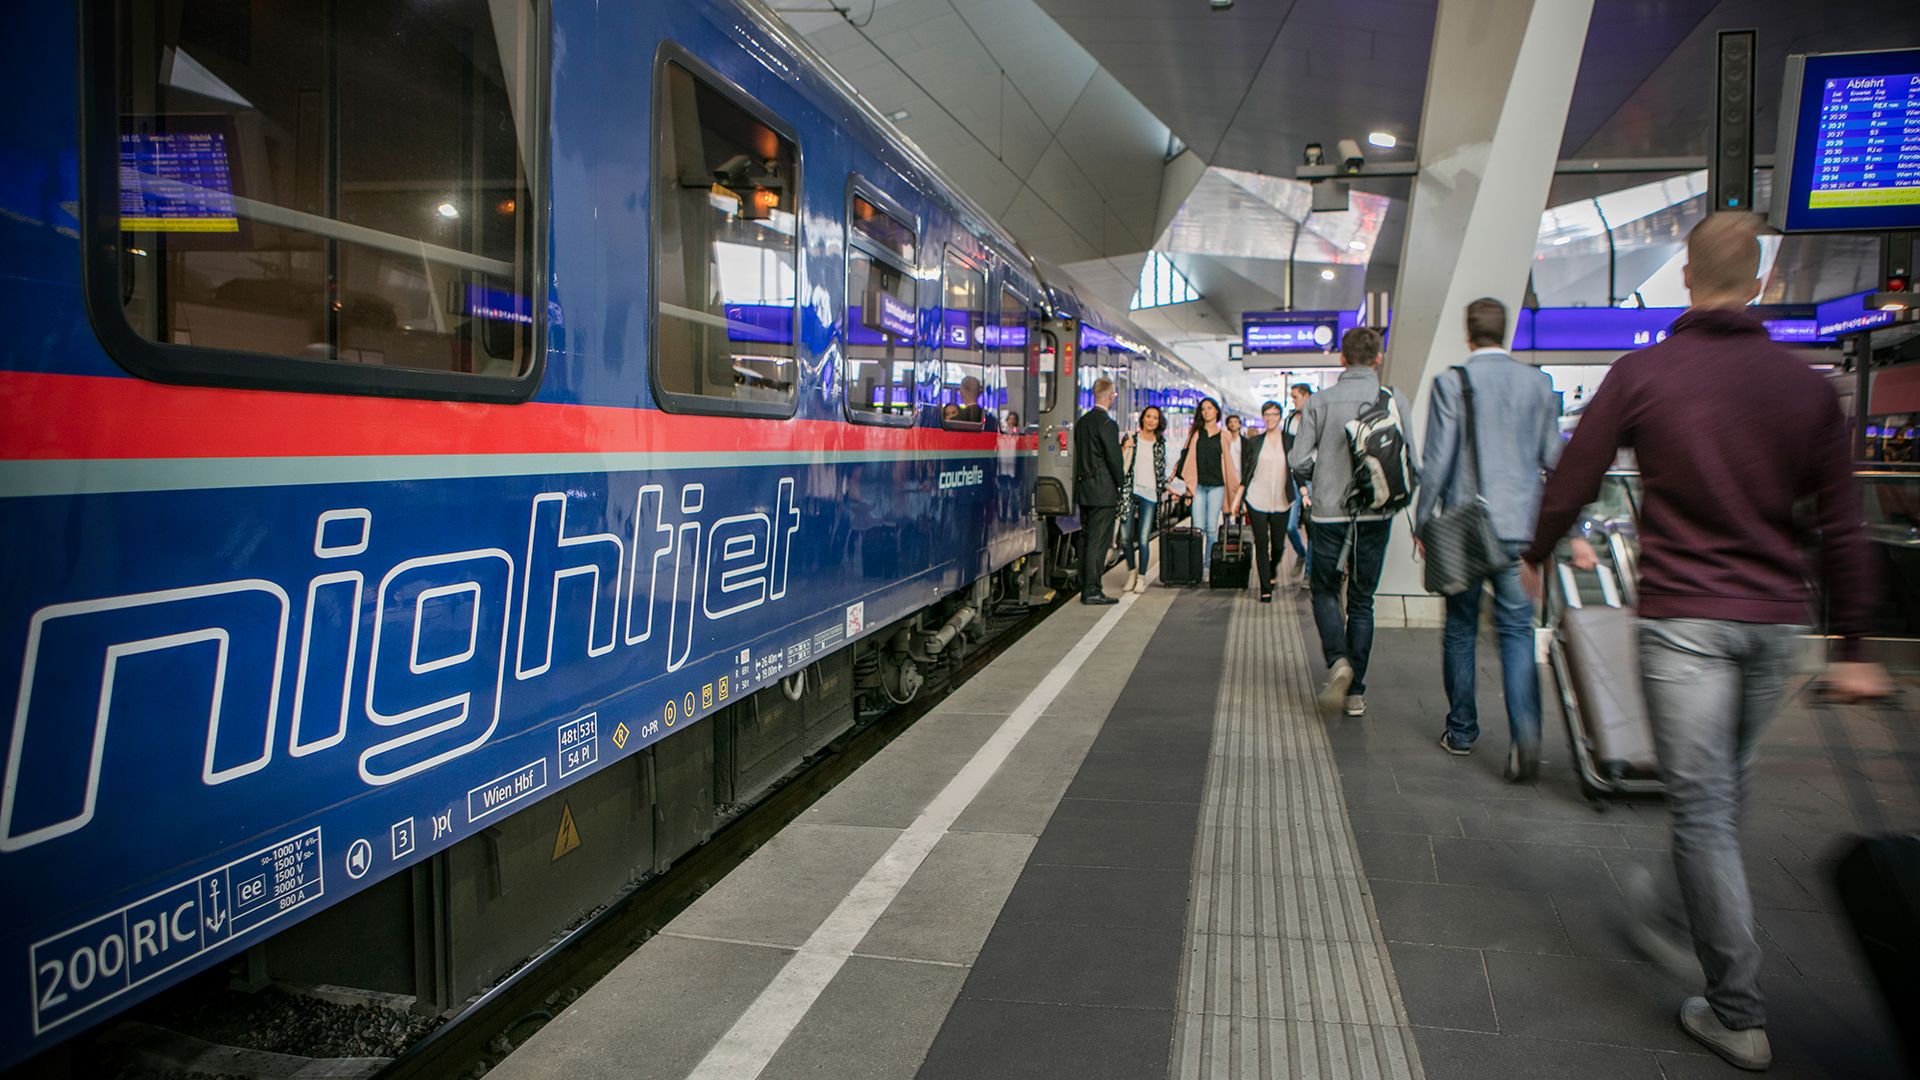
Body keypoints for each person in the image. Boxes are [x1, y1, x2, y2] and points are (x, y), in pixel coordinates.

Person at [1520, 212, 1889, 1072]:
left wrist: (1539, 552)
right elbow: (1843, 525)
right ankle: (1678, 910)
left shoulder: (1646, 372)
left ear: (1685, 278)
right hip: (1775, 625)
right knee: (1718, 797)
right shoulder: (1806, 389)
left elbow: (1576, 472)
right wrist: (1858, 646)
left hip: (1684, 620)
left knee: (1706, 810)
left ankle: (1738, 1009)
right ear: (1760, 285)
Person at [1413, 298, 1565, 779]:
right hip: (1521, 529)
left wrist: (1422, 522)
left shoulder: (1451, 383)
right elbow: (1553, 457)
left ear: (1467, 332)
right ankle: (1525, 734)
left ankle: (1461, 731)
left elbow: (1437, 462)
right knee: (1517, 631)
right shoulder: (1538, 383)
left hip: (1466, 529)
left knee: (1460, 628)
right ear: (1507, 331)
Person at [1288, 327, 1412, 717]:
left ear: (1341, 359)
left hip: (1328, 511)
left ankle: (1338, 659)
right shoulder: (1393, 399)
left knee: (1325, 590)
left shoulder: (1320, 401)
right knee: (1362, 600)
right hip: (1376, 512)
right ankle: (1356, 691)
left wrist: (1322, 471)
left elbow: (1297, 460)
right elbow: (1412, 461)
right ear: (1378, 358)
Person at [1073, 377, 1127, 605]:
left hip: (1084, 488)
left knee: (1086, 538)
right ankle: (1093, 589)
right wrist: (1121, 483)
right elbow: (1114, 460)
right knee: (1098, 541)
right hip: (1103, 490)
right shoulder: (1107, 424)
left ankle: (1084, 583)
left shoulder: (1083, 422)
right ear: (1110, 395)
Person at [1178, 396, 1241, 575]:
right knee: (1198, 528)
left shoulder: (1224, 435)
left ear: (1216, 412)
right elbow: (1188, 460)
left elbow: (1229, 462)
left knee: (1212, 528)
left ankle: (1208, 566)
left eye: (1210, 408)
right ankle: (1197, 566)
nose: (1207, 411)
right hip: (1198, 486)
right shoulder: (1196, 434)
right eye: (1204, 409)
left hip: (1217, 486)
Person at [1240, 400, 1294, 602]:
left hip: (1282, 499)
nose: (1270, 418)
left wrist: (1304, 490)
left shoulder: (1290, 441)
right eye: (1267, 414)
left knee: (1278, 545)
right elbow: (1246, 470)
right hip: (1257, 497)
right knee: (1261, 542)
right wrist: (1240, 497)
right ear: (1263, 417)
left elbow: (1297, 467)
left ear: (1280, 417)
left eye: (1274, 414)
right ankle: (1265, 587)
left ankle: (1272, 570)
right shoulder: (1254, 442)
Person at [1119, 405, 1169, 594]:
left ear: (1159, 422)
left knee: (1143, 539)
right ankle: (1131, 572)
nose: (1151, 420)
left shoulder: (1160, 443)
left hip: (1150, 495)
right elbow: (1122, 462)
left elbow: (1160, 469)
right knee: (1125, 538)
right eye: (1148, 416)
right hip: (1130, 492)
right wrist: (1125, 447)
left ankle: (1141, 577)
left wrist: (1166, 486)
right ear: (1142, 419)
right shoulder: (1132, 439)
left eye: (1155, 418)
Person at [1283, 384, 1314, 587]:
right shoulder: (1290, 421)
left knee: (1312, 526)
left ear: (1306, 396)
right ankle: (1301, 553)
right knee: (1290, 525)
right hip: (1293, 477)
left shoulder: (1316, 419)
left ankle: (1309, 573)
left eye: (1295, 397)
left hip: (1311, 478)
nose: (1293, 401)